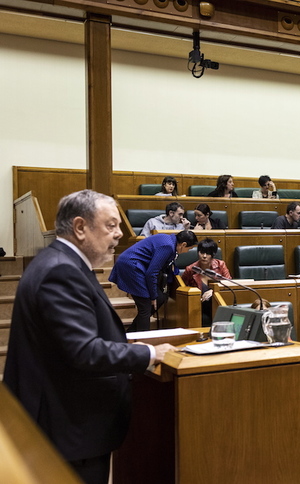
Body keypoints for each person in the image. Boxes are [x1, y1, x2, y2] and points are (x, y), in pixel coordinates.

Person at [3, 189, 177, 484]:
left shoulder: (59, 263)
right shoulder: (61, 272)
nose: (119, 234)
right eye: (111, 225)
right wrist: (149, 353)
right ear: (80, 227)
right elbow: (83, 350)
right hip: (66, 425)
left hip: (68, 420)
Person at [109, 230, 198, 332]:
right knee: (146, 308)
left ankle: (129, 334)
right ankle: (143, 341)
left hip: (135, 265)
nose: (187, 251)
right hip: (131, 266)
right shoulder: (168, 246)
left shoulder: (169, 241)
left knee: (153, 304)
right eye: (189, 249)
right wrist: (153, 296)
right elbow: (151, 273)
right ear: (183, 244)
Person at [181, 238, 231, 325]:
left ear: (213, 254)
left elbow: (229, 284)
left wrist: (213, 291)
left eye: (208, 253)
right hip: (199, 307)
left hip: (218, 304)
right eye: (201, 252)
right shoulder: (191, 269)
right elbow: (182, 289)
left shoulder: (221, 265)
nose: (204, 256)